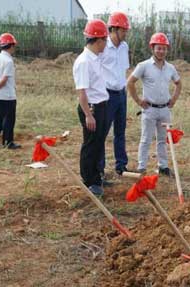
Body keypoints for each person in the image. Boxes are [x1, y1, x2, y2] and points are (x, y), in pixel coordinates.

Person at [127, 32, 181, 176]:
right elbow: (130, 82)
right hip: (149, 109)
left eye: (164, 48)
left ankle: (163, 166)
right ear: (153, 48)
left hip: (164, 109)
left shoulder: (170, 68)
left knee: (163, 140)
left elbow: (178, 83)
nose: (161, 51)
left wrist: (173, 99)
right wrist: (138, 101)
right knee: (146, 139)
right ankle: (142, 167)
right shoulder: (143, 66)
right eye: (158, 48)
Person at [72, 19, 109, 197]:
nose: (107, 43)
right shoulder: (84, 62)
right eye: (105, 39)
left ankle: (97, 176)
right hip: (91, 108)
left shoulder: (96, 58)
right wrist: (88, 115)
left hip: (101, 105)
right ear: (98, 40)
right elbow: (82, 92)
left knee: (98, 143)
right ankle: (89, 181)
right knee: (91, 144)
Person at [99, 11, 131, 181]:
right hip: (107, 95)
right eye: (123, 30)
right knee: (102, 132)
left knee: (120, 131)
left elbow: (123, 70)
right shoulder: (103, 47)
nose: (126, 33)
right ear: (114, 29)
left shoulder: (124, 47)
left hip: (121, 94)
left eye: (126, 30)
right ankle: (100, 168)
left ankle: (121, 165)